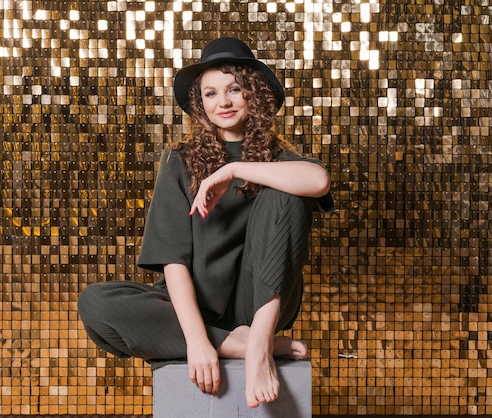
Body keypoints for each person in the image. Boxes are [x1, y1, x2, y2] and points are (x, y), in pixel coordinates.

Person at [78, 37, 334, 409]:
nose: (224, 102)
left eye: (234, 89)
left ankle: (260, 342)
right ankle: (236, 342)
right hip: (194, 305)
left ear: (254, 95)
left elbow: (319, 182)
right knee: (96, 303)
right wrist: (198, 340)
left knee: (287, 185)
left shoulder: (280, 160)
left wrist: (234, 170)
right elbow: (174, 260)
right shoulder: (179, 161)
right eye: (211, 94)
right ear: (201, 104)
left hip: (260, 302)